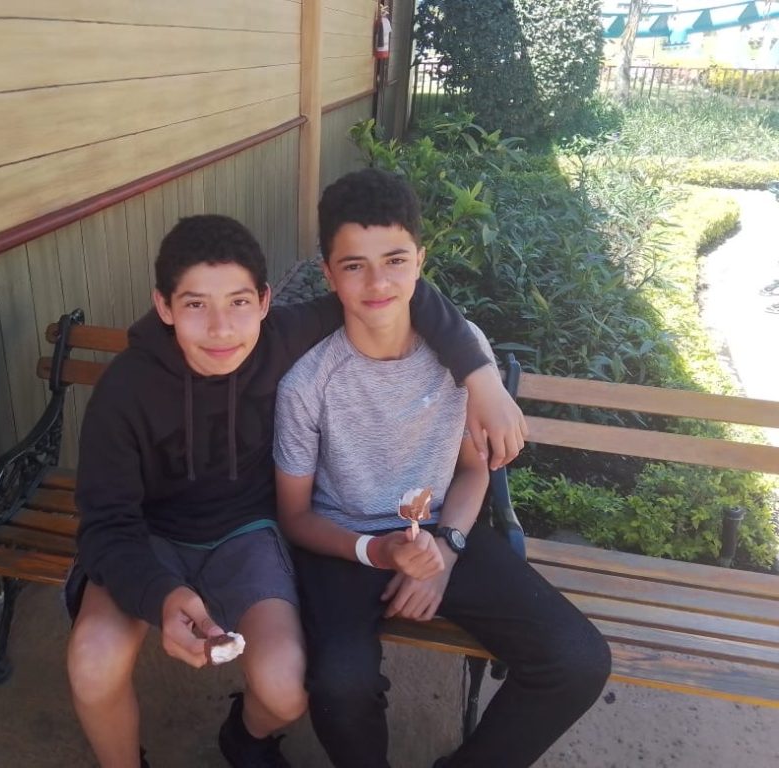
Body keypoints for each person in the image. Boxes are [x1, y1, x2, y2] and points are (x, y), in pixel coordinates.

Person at [65, 213, 527, 768]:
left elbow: (404, 292)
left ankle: (245, 735)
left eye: (238, 302)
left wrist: (481, 377)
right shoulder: (124, 390)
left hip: (246, 535)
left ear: (264, 301)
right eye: (195, 304)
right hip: (146, 539)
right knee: (92, 662)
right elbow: (105, 525)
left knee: (287, 690)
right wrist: (160, 596)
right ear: (163, 306)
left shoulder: (282, 336)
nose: (221, 328)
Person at [274, 169, 612, 768]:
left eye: (395, 261)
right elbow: (295, 516)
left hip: (441, 528)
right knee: (341, 684)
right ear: (328, 275)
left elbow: (475, 470)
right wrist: (378, 552)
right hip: (344, 544)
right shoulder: (309, 381)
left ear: (420, 262)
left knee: (577, 659)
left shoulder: (464, 350)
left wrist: (447, 550)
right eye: (354, 265)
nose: (378, 282)